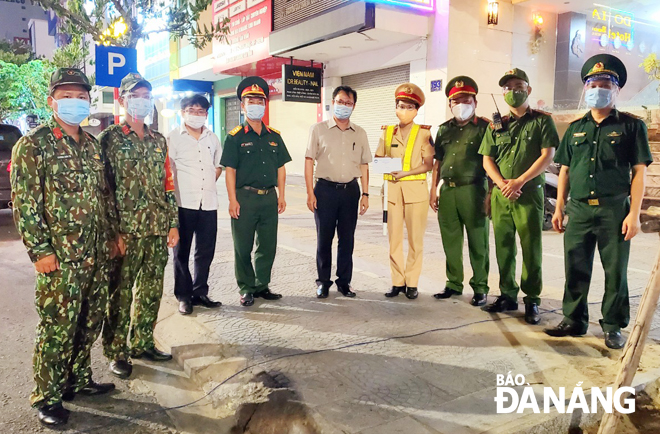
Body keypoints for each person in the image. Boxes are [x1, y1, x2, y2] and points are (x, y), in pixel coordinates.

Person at [11, 68, 117, 426]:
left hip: (95, 254)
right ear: (52, 100)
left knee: (89, 322)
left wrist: (112, 237)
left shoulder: (91, 145)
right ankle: (47, 396)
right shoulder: (33, 145)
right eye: (67, 95)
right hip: (60, 259)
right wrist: (40, 251)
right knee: (57, 328)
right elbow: (25, 204)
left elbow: (103, 197)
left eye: (81, 96)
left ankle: (78, 379)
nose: (75, 102)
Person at [545, 54, 652, 350]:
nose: (598, 89)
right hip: (578, 209)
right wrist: (559, 206)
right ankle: (574, 320)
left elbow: (639, 172)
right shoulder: (576, 127)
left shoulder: (632, 127)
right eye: (593, 83)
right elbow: (564, 169)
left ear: (616, 90)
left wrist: (634, 214)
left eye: (605, 84)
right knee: (575, 267)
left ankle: (613, 325)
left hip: (613, 209)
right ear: (585, 88)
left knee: (615, 270)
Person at [100, 72, 179, 380]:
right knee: (120, 294)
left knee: (151, 290)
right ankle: (117, 351)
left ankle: (143, 342)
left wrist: (173, 223)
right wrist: (112, 232)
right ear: (123, 99)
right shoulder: (110, 139)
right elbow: (103, 190)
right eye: (136, 96)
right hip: (126, 231)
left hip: (156, 228)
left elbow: (168, 184)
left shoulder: (159, 140)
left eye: (147, 95)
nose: (142, 101)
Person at [479, 68, 559, 325]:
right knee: (503, 247)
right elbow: (487, 159)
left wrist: (519, 181)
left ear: (528, 90)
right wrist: (501, 183)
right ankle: (507, 295)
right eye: (508, 87)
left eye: (518, 86)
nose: (513, 91)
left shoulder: (542, 121)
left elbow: (547, 155)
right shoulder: (495, 124)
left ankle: (532, 300)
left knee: (531, 248)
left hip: (528, 193)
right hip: (501, 195)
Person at [220, 76, 292, 307]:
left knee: (268, 245)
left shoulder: (275, 136)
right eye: (250, 101)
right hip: (245, 198)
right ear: (242, 105)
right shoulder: (235, 137)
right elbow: (229, 170)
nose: (255, 105)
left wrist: (282, 195)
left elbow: (281, 168)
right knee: (243, 246)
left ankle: (262, 285)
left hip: (268, 198)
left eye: (259, 100)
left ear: (265, 104)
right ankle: (246, 287)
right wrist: (232, 199)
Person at [305, 86, 371, 298]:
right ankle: (323, 282)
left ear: (354, 106)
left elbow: (364, 165)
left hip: (350, 191)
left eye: (348, 103)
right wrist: (309, 192)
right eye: (340, 102)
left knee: (347, 239)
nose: (344, 106)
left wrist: (366, 194)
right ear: (333, 102)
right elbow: (308, 161)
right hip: (324, 190)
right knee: (324, 239)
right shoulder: (318, 129)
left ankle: (344, 282)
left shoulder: (360, 133)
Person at [431, 76, 491, 306]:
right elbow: (438, 162)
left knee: (479, 241)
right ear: (449, 104)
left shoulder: (485, 128)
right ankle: (454, 283)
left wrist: (490, 194)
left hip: (474, 190)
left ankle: (480, 287)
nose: (461, 104)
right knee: (451, 241)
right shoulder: (444, 130)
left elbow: (491, 161)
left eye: (466, 99)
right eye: (456, 100)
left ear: (475, 102)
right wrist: (432, 190)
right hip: (447, 191)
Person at [377, 83, 434, 300]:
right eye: (401, 106)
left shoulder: (424, 133)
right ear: (395, 107)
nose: (404, 110)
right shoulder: (387, 132)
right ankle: (397, 282)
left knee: (415, 241)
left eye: (409, 107)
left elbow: (428, 164)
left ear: (417, 110)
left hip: (416, 193)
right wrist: (386, 168)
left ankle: (412, 282)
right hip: (392, 193)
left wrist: (405, 172)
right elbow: (379, 159)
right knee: (394, 240)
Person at [168, 94, 223, 315]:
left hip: (208, 203)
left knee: (205, 251)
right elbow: (168, 170)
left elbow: (218, 165)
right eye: (192, 110)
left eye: (202, 111)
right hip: (184, 203)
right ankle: (184, 295)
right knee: (182, 252)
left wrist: (207, 182)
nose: (197, 115)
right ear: (182, 113)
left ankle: (200, 292)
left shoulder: (212, 138)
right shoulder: (173, 138)